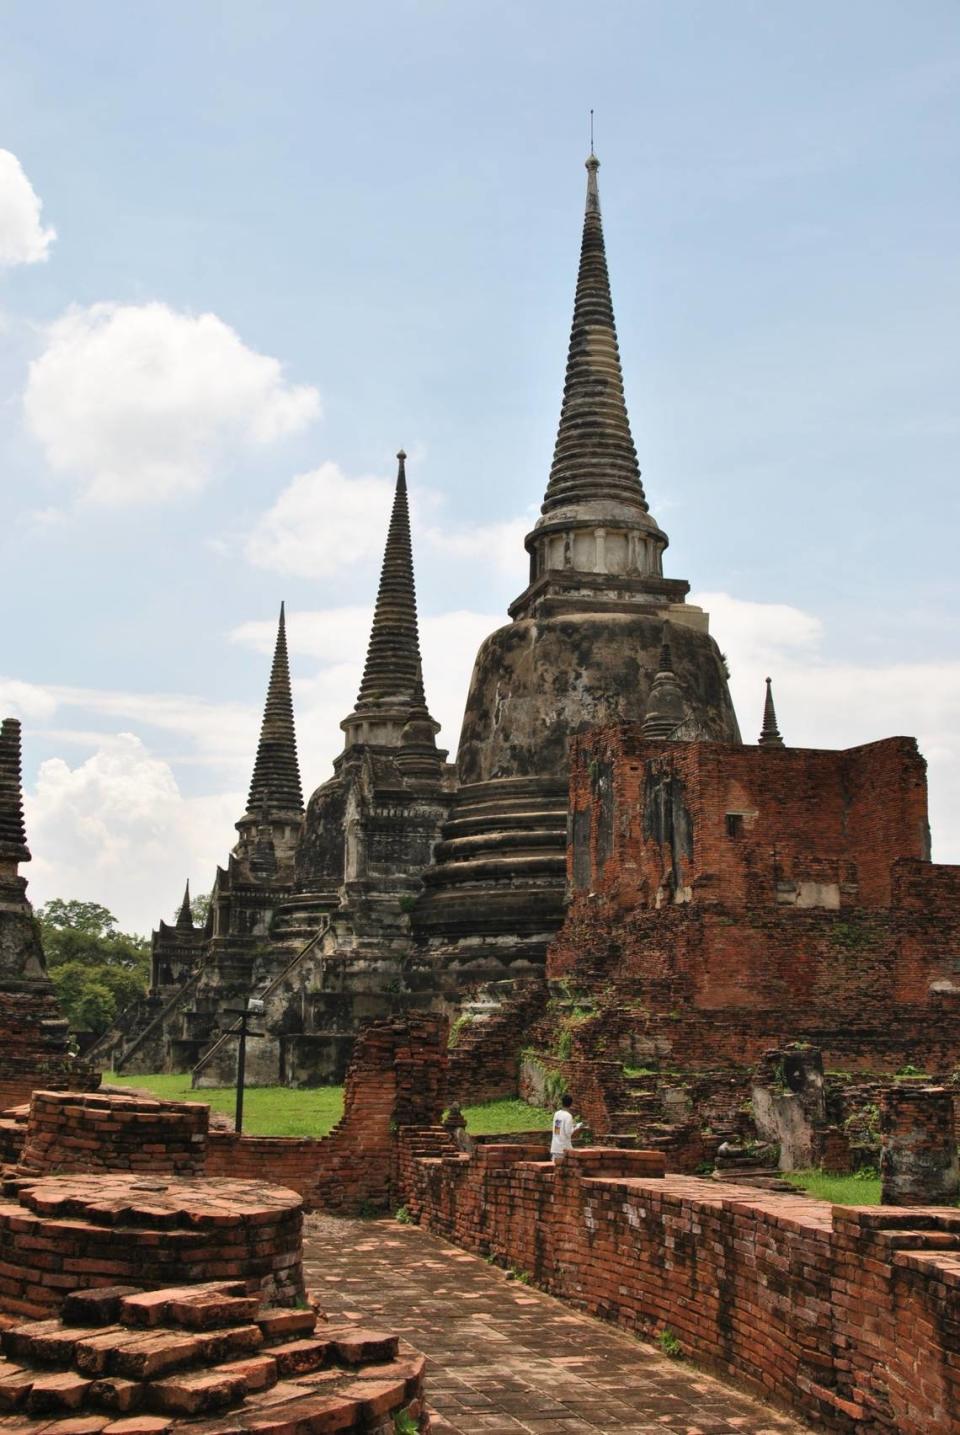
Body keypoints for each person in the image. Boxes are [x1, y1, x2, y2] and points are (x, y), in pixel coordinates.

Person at [550, 1094, 583, 1161]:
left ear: (562, 1102)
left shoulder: (557, 1114)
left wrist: (572, 1126)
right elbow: (568, 1133)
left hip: (555, 1146)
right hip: (564, 1148)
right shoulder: (568, 1116)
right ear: (571, 1104)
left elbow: (557, 1129)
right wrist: (576, 1127)